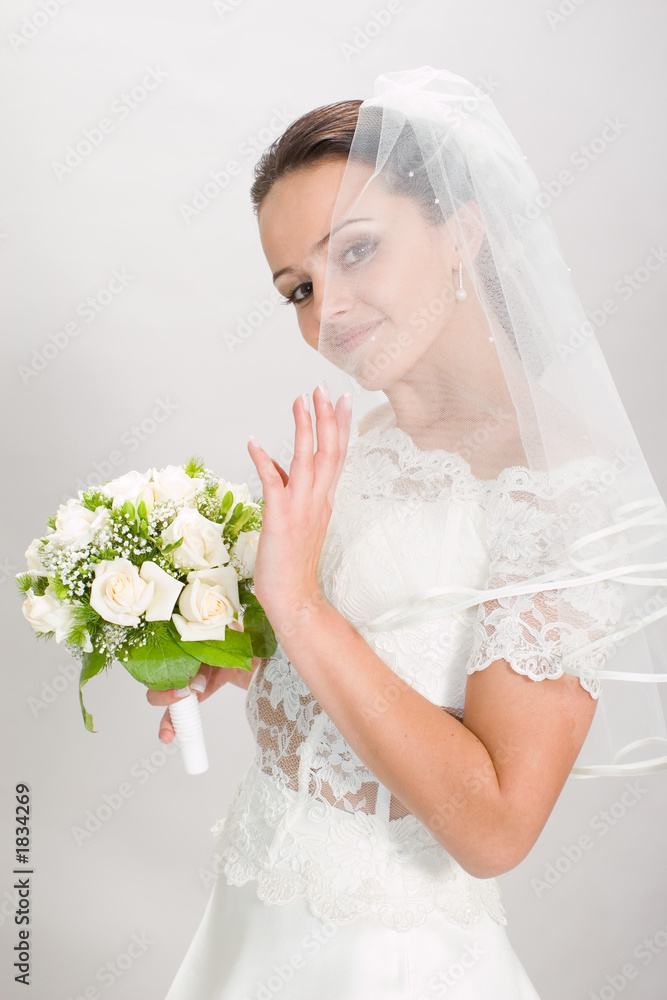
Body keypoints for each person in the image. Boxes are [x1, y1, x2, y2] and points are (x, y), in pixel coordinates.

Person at [154, 67, 667, 999]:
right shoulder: (365, 442)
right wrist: (252, 653)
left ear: (462, 233)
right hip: (253, 923)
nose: (327, 310)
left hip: (387, 961)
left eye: (356, 251)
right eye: (297, 287)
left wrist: (297, 608)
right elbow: (381, 662)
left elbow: (493, 828)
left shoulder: (564, 493)